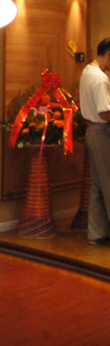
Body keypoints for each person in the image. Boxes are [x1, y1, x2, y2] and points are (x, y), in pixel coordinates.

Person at [79, 37, 110, 245]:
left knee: (98, 185)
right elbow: (105, 113)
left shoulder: (87, 71)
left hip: (92, 131)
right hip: (102, 132)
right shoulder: (100, 78)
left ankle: (97, 233)